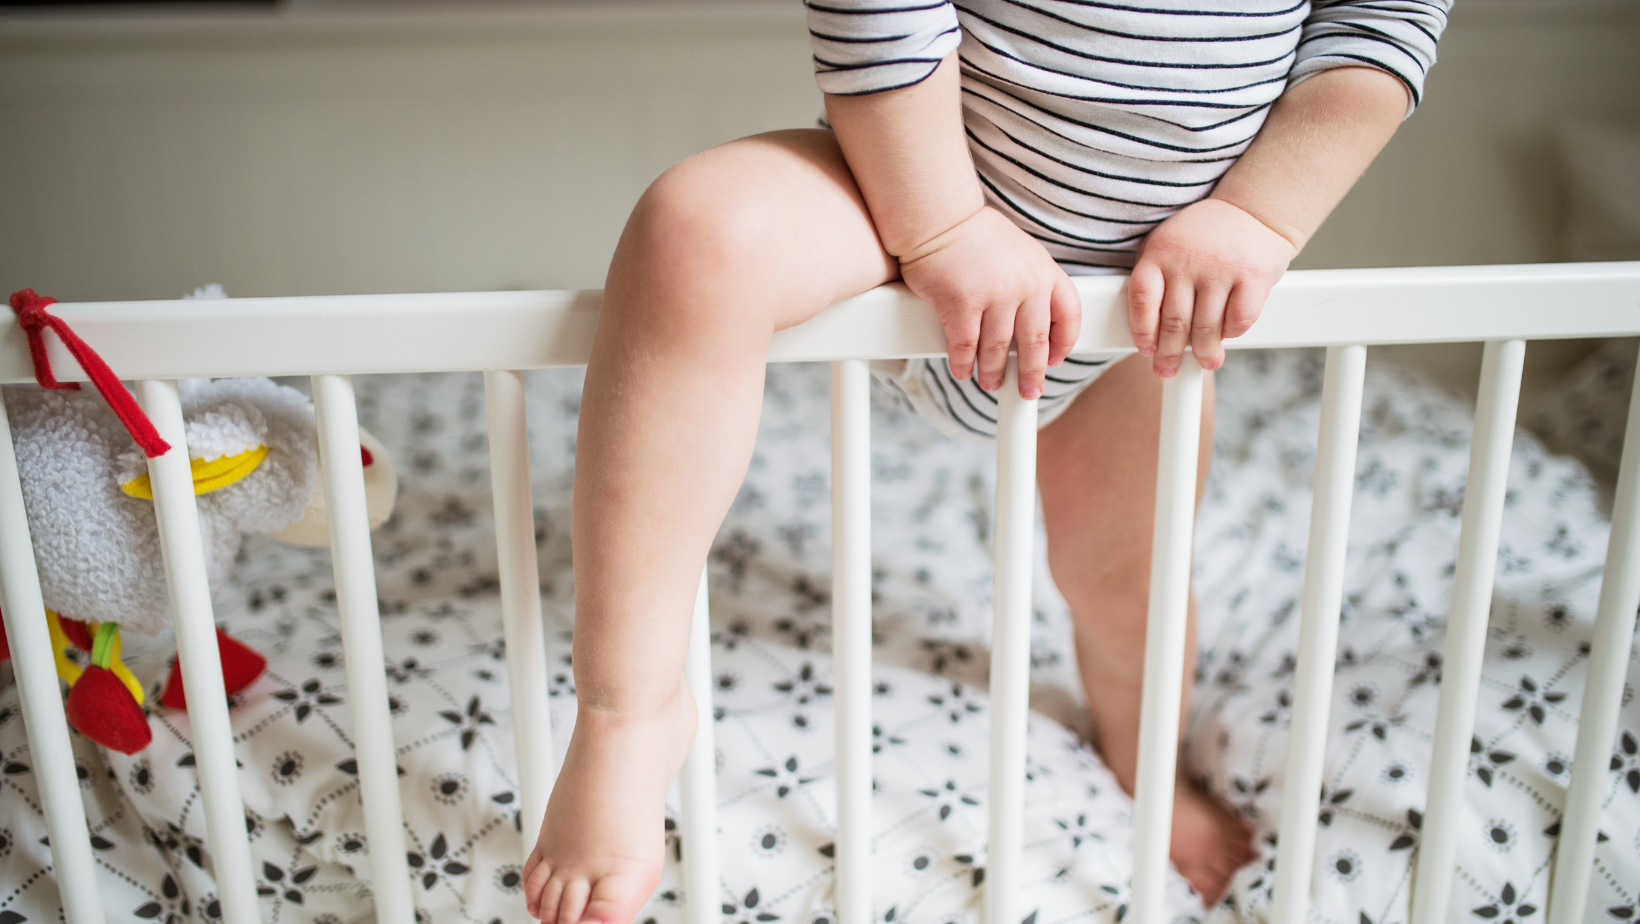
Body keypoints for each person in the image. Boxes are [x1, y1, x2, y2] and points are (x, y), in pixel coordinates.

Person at [522, 1, 1448, 921]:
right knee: (694, 230)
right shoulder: (913, 207)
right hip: (899, 194)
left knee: (1127, 580)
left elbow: (1375, 31)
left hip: (1137, 296)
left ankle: (1143, 765)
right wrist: (946, 229)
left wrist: (1259, 216)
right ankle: (625, 710)